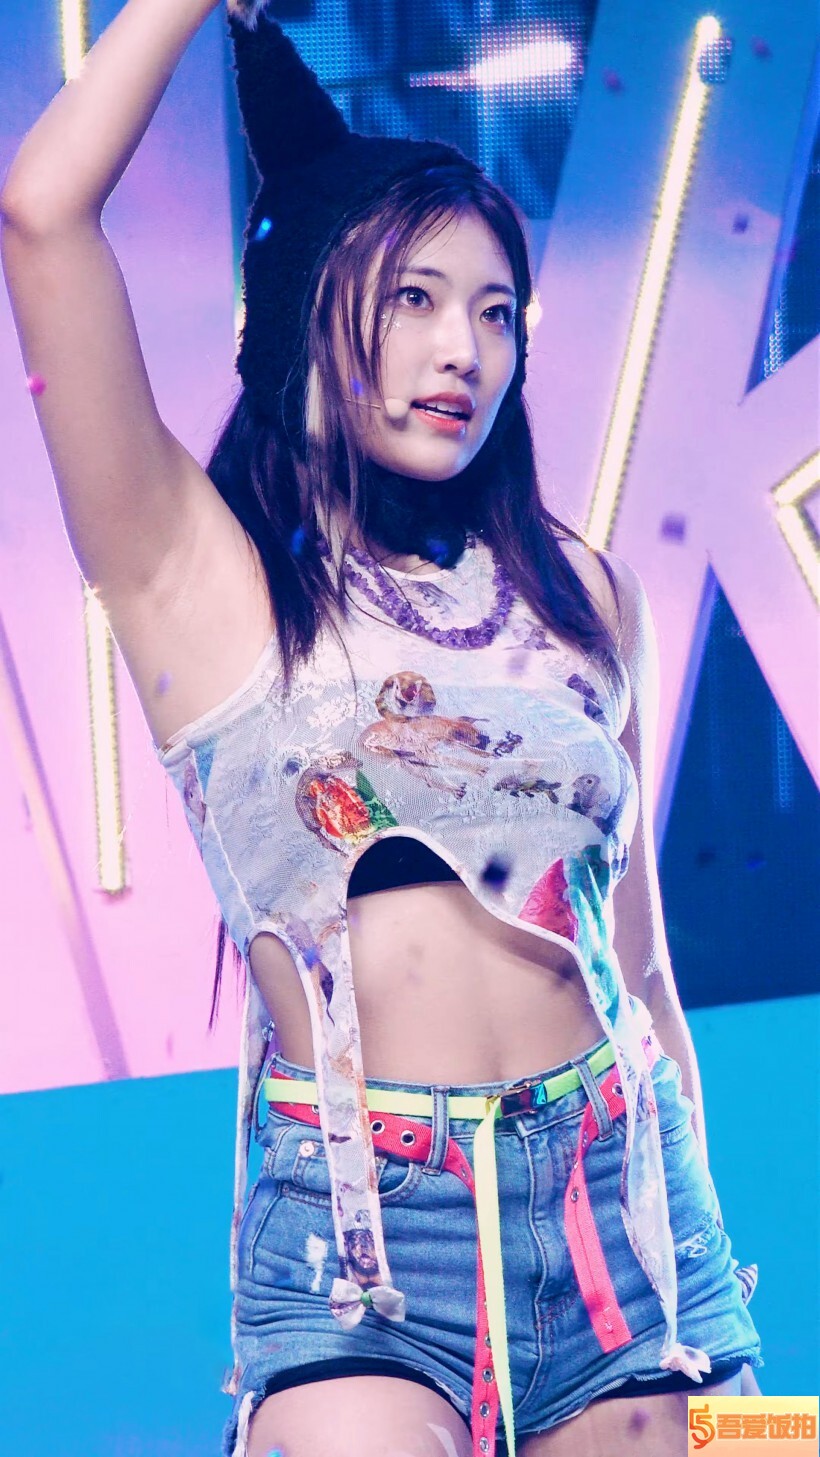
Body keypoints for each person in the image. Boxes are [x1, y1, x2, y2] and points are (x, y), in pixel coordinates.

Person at [1, 2, 762, 1454]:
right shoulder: (200, 578)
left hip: (622, 1210)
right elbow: (42, 215)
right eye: (414, 297)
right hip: (361, 1242)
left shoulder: (588, 594)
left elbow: (643, 972)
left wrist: (705, 1276)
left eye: (496, 310)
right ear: (312, 304)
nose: (462, 347)